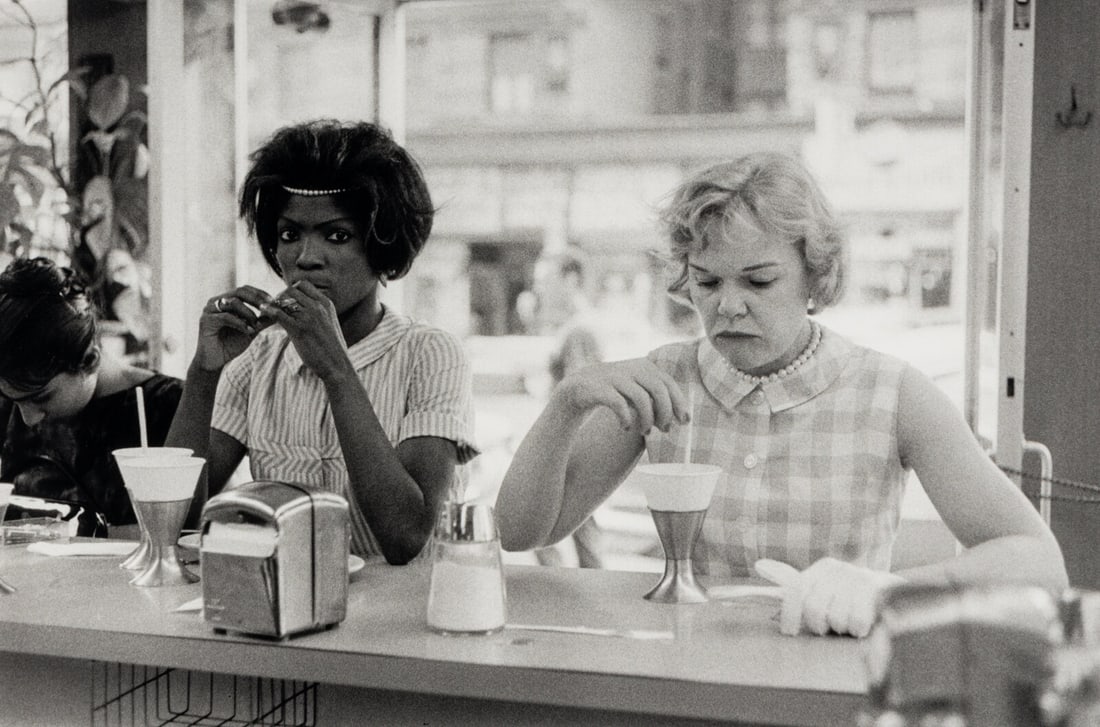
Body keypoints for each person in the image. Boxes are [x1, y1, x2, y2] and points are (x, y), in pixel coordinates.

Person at [495, 152, 1067, 637]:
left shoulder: (892, 395)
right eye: (707, 281)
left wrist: (887, 590)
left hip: (835, 684)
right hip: (687, 679)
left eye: (759, 280)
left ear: (816, 276)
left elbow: (1037, 562)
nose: (728, 305)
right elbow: (524, 533)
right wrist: (566, 405)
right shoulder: (664, 381)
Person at [166, 119, 477, 565]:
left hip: (405, 619)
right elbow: (179, 521)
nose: (305, 258)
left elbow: (406, 536)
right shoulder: (258, 356)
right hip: (284, 610)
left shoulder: (430, 355)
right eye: (289, 234)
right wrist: (203, 374)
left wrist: (336, 370)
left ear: (383, 247)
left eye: (337, 236)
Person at [0, 256, 183, 536]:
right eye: (15, 400)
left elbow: (202, 534)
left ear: (90, 359)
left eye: (41, 398)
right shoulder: (13, 396)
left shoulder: (170, 406)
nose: (27, 418)